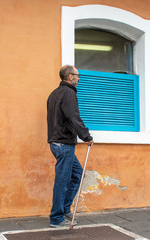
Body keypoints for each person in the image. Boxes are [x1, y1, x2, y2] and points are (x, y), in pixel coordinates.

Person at [47, 65, 94, 228]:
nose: (79, 78)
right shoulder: (68, 94)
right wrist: (86, 136)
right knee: (62, 180)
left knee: (77, 174)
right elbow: (73, 118)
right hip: (64, 144)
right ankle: (56, 218)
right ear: (69, 77)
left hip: (57, 143)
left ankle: (65, 209)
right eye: (77, 75)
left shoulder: (54, 94)